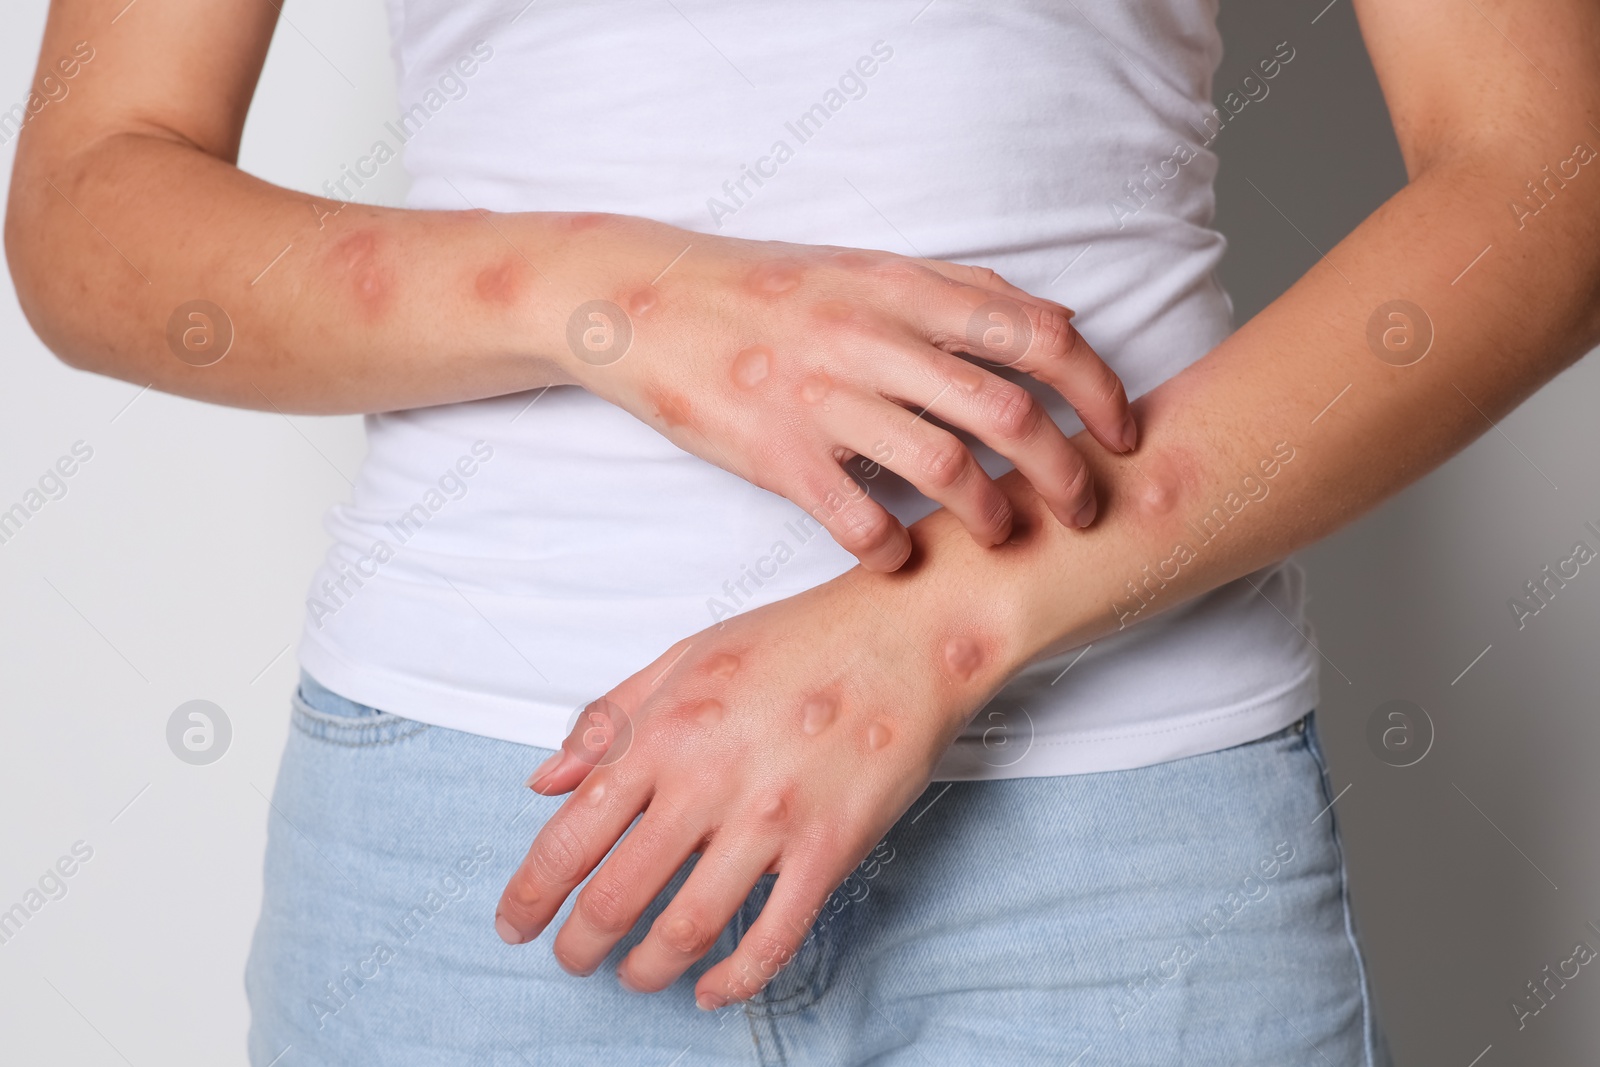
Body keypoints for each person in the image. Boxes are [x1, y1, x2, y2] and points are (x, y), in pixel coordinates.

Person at [8, 0, 1598, 1062]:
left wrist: (946, 624)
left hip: (1124, 840)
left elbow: (1549, 178)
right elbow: (91, 200)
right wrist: (619, 299)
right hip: (486, 829)